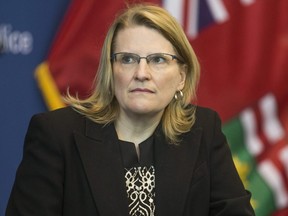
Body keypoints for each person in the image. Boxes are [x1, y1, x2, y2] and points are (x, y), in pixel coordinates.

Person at [6, 3, 255, 216]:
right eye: (128, 59)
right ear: (110, 71)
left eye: (158, 60)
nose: (141, 74)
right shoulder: (56, 134)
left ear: (182, 76)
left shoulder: (203, 129)